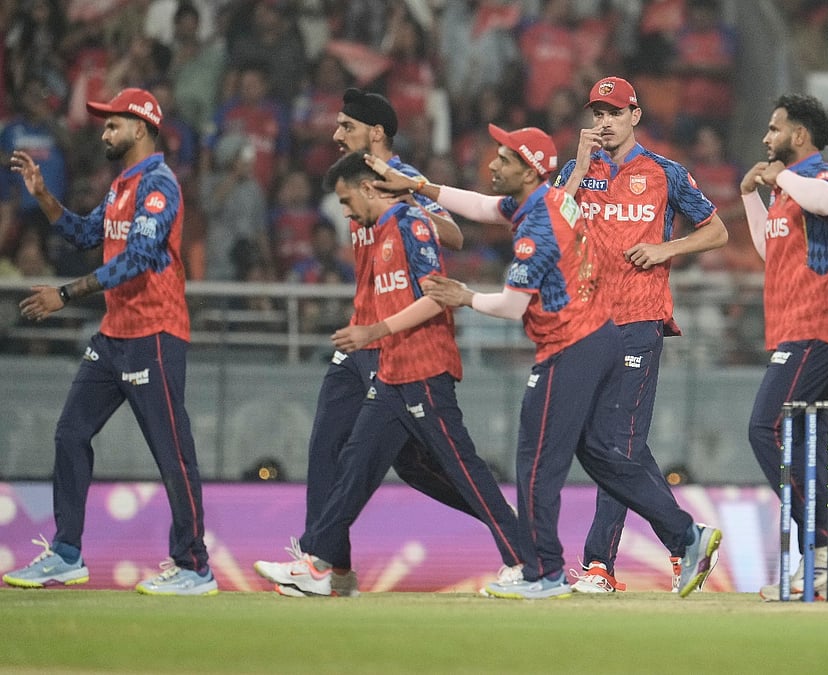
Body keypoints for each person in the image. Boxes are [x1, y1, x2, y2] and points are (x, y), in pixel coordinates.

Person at [378, 124, 722, 599]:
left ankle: (545, 572)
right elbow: (479, 206)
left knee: (537, 457)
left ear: (527, 170)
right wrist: (418, 186)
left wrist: (464, 296)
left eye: (503, 160)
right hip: (601, 336)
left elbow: (513, 307)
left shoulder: (539, 225)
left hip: (572, 344)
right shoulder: (547, 201)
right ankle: (687, 536)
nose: (492, 166)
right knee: (604, 455)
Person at [268, 88, 516, 598]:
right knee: (327, 445)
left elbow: (456, 239)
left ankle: (515, 533)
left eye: (346, 126)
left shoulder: (399, 180)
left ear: (374, 132)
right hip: (359, 333)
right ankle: (329, 567)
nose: (336, 134)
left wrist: (410, 204)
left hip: (392, 338)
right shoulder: (350, 182)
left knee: (413, 464)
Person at [3, 88, 216, 595]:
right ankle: (67, 554)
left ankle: (193, 566)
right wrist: (43, 195)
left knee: (172, 453)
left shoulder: (159, 185)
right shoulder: (123, 185)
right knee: (70, 434)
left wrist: (66, 293)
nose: (103, 132)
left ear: (140, 127)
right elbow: (82, 235)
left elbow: (139, 258)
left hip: (155, 335)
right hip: (115, 335)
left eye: (112, 124)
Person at [555, 75, 728, 593]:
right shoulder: (577, 172)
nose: (603, 122)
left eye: (612, 112)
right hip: (587, 324)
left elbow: (717, 231)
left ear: (634, 115)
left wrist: (664, 250)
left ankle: (601, 567)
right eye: (596, 113)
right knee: (612, 443)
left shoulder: (665, 173)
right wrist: (579, 168)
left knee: (617, 446)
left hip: (638, 319)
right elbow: (552, 228)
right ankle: (684, 542)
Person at [739, 94, 828, 601]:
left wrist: (776, 177)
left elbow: (827, 202)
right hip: (794, 326)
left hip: (818, 322)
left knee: (764, 427)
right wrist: (750, 195)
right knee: (806, 448)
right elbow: (770, 252)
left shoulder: (822, 176)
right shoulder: (789, 191)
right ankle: (820, 564)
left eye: (774, 129)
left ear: (799, 136)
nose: (766, 139)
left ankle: (827, 542)